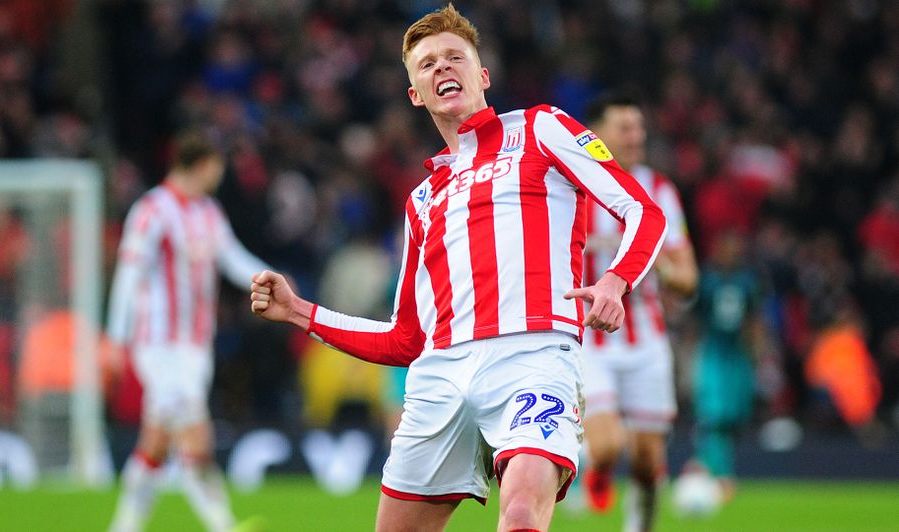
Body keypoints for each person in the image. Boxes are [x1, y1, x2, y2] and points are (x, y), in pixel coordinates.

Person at [251, 5, 667, 532]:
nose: (443, 68)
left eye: (455, 57)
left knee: (520, 512)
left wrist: (616, 279)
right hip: (440, 375)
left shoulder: (542, 128)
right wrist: (298, 311)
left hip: (534, 355)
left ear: (482, 74)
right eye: (427, 65)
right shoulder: (422, 199)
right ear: (415, 95)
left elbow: (644, 211)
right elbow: (405, 340)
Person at [106, 132, 273, 532]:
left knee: (156, 443)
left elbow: (231, 257)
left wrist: (269, 277)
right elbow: (129, 276)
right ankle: (223, 524)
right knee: (196, 436)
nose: (221, 174)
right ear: (201, 165)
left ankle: (123, 526)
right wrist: (114, 338)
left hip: (196, 344)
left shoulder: (208, 212)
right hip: (159, 344)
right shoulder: (151, 210)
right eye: (217, 166)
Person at [575, 92, 699, 531]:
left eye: (639, 127)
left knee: (648, 462)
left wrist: (659, 261)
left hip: (645, 337)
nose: (636, 136)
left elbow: (688, 281)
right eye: (625, 127)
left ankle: (639, 525)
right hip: (588, 338)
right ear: (597, 135)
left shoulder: (661, 191)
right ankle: (598, 469)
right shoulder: (571, 186)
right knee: (607, 444)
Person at [691, 229, 759, 502]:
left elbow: (754, 319)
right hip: (714, 352)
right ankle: (720, 473)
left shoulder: (748, 282)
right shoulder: (707, 281)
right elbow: (696, 319)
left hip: (737, 354)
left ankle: (705, 464)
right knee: (713, 414)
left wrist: (756, 352)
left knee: (733, 417)